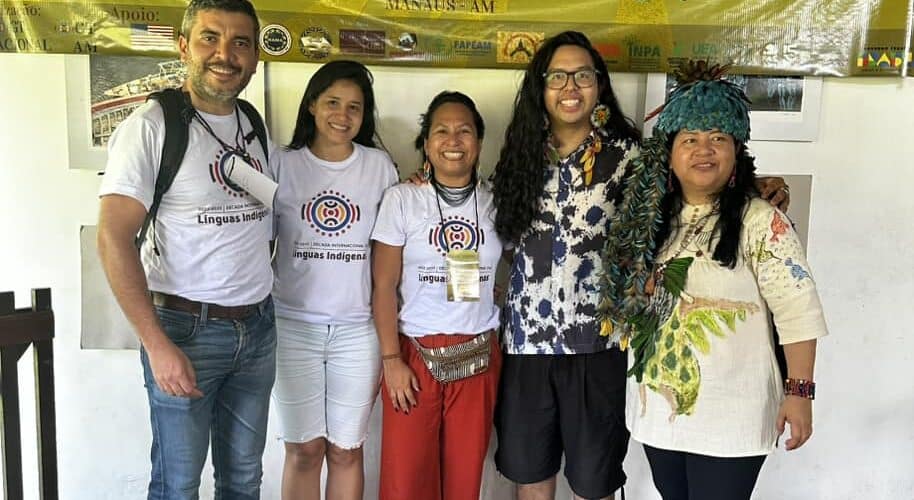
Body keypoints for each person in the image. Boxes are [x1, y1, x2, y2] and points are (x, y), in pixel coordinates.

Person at [491, 32, 791, 500]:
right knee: (530, 475)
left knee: (595, 484)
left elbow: (697, 184)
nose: (570, 87)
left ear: (599, 84)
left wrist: (757, 184)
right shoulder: (519, 159)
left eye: (583, 75)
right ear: (540, 87)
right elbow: (496, 230)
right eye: (557, 76)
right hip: (527, 346)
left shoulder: (632, 157)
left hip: (601, 345)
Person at [600, 61, 827, 500]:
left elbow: (798, 310)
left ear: (736, 151)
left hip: (732, 417)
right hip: (659, 414)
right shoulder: (648, 222)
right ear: (670, 153)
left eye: (718, 138)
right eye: (689, 139)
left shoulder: (761, 221)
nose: (703, 150)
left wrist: (800, 393)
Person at [96, 1, 275, 498]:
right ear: (183, 47)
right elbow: (112, 238)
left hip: (258, 328)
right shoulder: (152, 126)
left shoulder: (251, 123)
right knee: (178, 485)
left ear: (255, 58)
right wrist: (156, 344)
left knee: (244, 480)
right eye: (210, 38)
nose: (225, 54)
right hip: (185, 331)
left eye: (240, 42)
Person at [270, 60, 398, 500]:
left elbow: (395, 243)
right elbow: (255, 240)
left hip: (358, 330)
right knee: (304, 450)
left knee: (346, 450)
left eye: (354, 107)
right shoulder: (281, 163)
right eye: (332, 103)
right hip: (292, 326)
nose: (342, 116)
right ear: (311, 105)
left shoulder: (379, 167)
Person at [371, 91, 505, 500]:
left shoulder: (497, 201)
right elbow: (383, 285)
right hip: (414, 358)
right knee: (406, 481)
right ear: (427, 143)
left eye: (464, 131)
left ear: (479, 142)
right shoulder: (403, 199)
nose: (453, 140)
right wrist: (391, 360)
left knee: (464, 480)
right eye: (441, 131)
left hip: (478, 358)